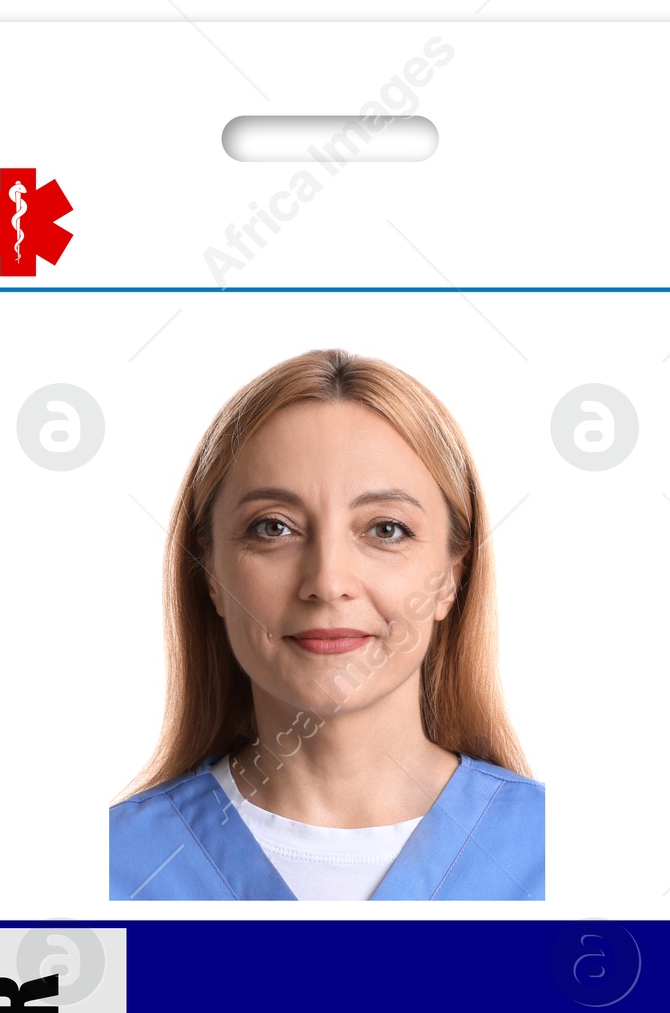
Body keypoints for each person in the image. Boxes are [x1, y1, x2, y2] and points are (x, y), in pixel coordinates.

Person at [110, 347, 543, 901]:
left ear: (452, 577)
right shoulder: (108, 870)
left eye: (386, 530)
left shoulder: (565, 855)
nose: (328, 580)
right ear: (211, 574)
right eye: (273, 528)